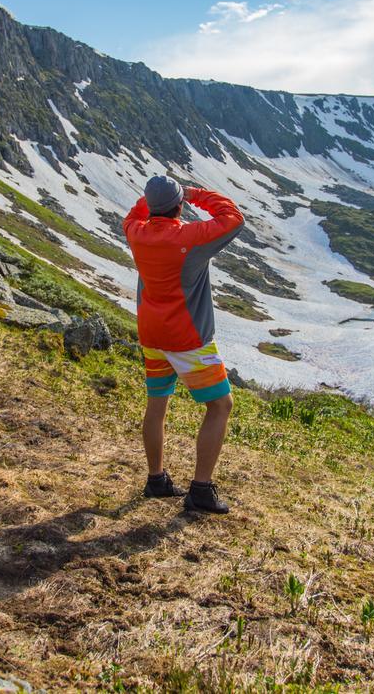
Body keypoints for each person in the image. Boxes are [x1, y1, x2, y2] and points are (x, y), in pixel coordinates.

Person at [122, 175, 244, 514]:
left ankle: (156, 480)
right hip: (188, 339)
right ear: (180, 206)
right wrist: (197, 194)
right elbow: (233, 217)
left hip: (152, 334)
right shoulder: (190, 238)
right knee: (220, 406)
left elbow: (133, 215)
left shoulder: (136, 233)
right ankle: (201, 490)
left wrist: (155, 197)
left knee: (157, 405)